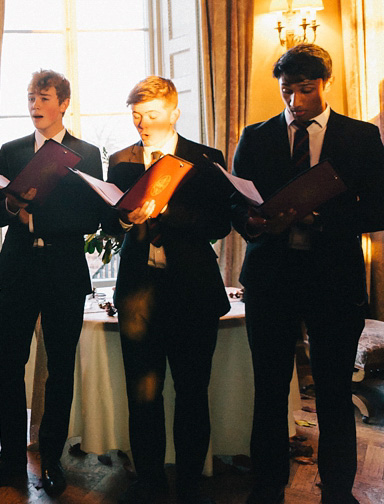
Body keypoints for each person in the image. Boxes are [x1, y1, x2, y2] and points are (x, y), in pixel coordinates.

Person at [231, 44, 384, 504]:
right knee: (270, 388)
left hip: (333, 280)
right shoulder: (254, 136)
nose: (295, 101)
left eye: (305, 89)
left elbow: (378, 208)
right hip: (270, 279)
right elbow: (237, 205)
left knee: (334, 391)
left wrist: (321, 219)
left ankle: (338, 492)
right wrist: (252, 221)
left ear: (326, 84)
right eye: (286, 91)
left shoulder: (359, 137)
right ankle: (267, 488)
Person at [0, 69, 104, 497]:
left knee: (60, 368)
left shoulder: (85, 152)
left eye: (44, 97)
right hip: (19, 271)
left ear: (63, 103)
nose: (34, 105)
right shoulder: (10, 151)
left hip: (64, 272)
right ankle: (10, 458)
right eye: (30, 97)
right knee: (9, 366)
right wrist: (12, 207)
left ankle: (51, 458)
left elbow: (92, 219)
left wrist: (38, 213)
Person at [104, 76, 232, 504]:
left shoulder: (204, 158)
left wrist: (166, 212)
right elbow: (109, 223)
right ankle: (150, 481)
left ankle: (192, 484)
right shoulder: (121, 161)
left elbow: (219, 224)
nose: (142, 123)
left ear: (175, 113)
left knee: (193, 391)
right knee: (143, 394)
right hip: (139, 292)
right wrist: (125, 219)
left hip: (192, 291)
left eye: (152, 115)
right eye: (137, 115)